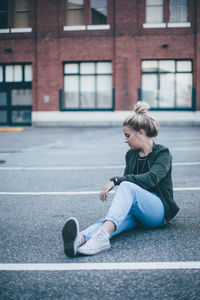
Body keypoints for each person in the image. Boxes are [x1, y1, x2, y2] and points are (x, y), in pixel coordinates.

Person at [62, 101, 180, 257]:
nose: (125, 140)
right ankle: (80, 239)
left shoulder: (162, 153)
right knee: (110, 220)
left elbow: (152, 178)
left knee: (126, 185)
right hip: (139, 213)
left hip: (158, 212)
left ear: (141, 132)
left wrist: (116, 180)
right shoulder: (130, 155)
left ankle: (101, 239)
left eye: (127, 135)